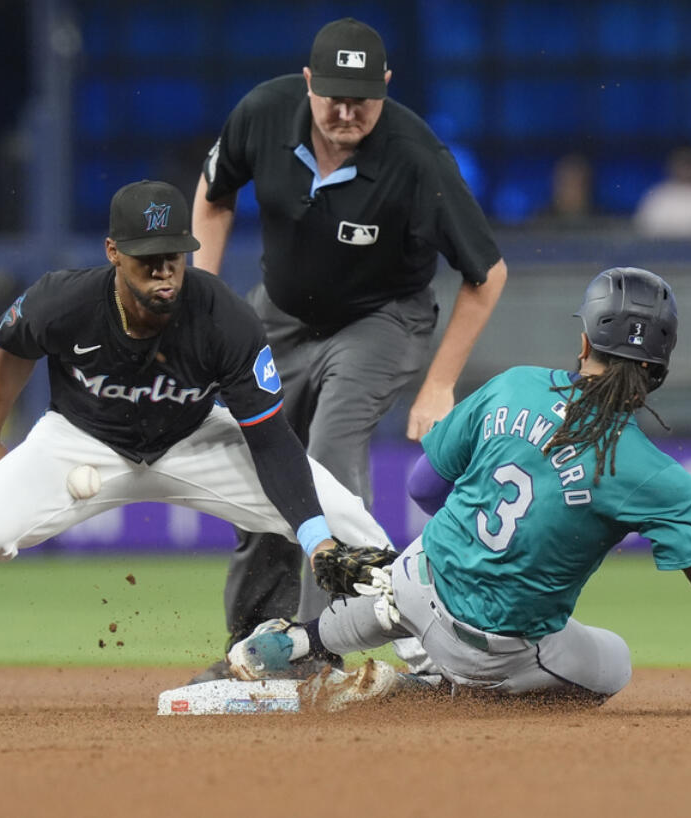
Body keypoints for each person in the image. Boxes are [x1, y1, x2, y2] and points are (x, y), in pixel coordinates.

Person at [0, 180, 395, 716]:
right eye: (149, 258)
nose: (166, 270)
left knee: (349, 521)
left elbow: (270, 439)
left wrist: (315, 538)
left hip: (194, 438)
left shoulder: (225, 318)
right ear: (114, 251)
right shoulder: (63, 301)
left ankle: (437, 657)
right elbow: (11, 349)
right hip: (79, 441)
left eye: (175, 254)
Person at [227, 266, 691, 716]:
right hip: (489, 647)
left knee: (408, 584)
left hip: (416, 577)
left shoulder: (513, 385)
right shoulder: (654, 476)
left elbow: (428, 486)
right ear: (658, 367)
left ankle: (303, 640)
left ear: (584, 337)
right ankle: (430, 690)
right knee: (616, 664)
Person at [189, 17, 507, 678]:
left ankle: (316, 648)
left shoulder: (416, 158)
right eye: (332, 93)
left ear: (386, 88)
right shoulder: (263, 114)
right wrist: (204, 296)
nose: (345, 109)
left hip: (381, 320)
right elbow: (214, 196)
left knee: (328, 459)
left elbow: (488, 275)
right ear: (308, 83)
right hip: (278, 314)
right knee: (259, 468)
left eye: (362, 97)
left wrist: (440, 386)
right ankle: (252, 650)